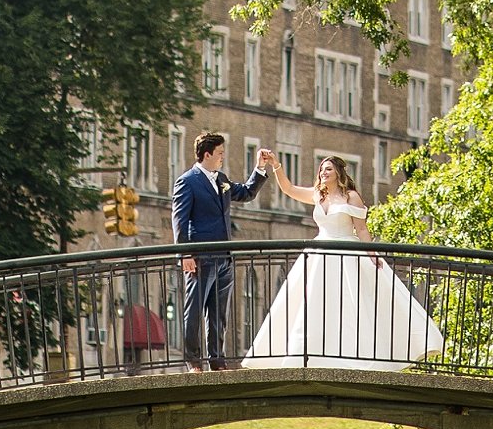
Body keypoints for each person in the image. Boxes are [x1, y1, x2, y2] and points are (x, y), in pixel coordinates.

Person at [244, 156, 445, 369]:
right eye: (322, 169)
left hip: (346, 253)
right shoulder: (318, 195)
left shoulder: (351, 197)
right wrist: (276, 166)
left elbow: (362, 229)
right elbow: (289, 189)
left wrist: (371, 253)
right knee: (315, 305)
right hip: (319, 255)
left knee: (350, 304)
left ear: (338, 172)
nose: (323, 173)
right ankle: (312, 356)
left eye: (328, 169)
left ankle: (355, 357)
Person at [172, 132, 270, 370]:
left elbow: (246, 192)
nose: (222, 158)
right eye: (220, 154)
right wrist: (184, 254)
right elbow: (179, 220)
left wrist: (260, 168)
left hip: (224, 257)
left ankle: (218, 361)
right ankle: (193, 361)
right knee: (194, 311)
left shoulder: (222, 179)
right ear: (207, 154)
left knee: (218, 315)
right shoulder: (187, 181)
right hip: (201, 257)